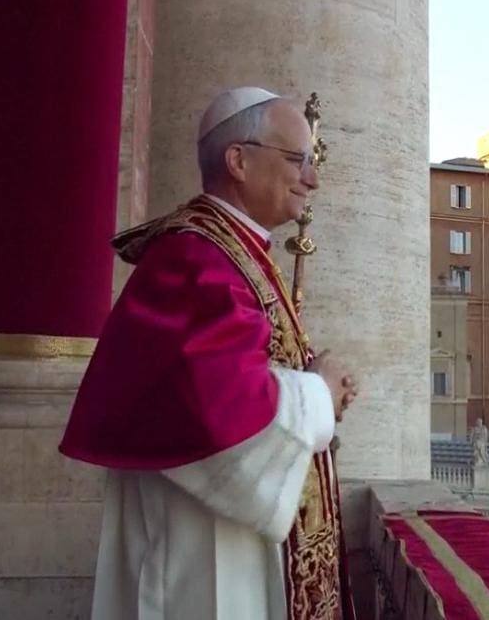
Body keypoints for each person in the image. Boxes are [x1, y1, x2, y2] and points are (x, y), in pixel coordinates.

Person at [58, 87, 359, 620]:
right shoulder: (199, 258)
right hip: (201, 538)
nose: (312, 179)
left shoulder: (232, 248)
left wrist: (315, 382)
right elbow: (218, 407)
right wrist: (318, 393)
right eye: (298, 160)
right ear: (239, 160)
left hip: (225, 528)